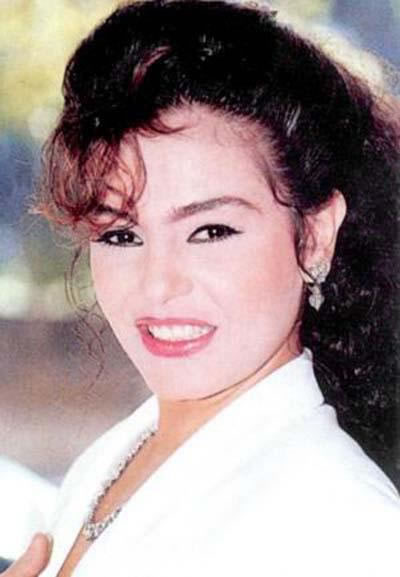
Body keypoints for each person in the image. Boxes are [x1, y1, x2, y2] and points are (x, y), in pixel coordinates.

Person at [4, 1, 400, 575]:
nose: (158, 284)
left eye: (211, 231)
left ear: (314, 236)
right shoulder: (117, 455)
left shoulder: (344, 527)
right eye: (121, 234)